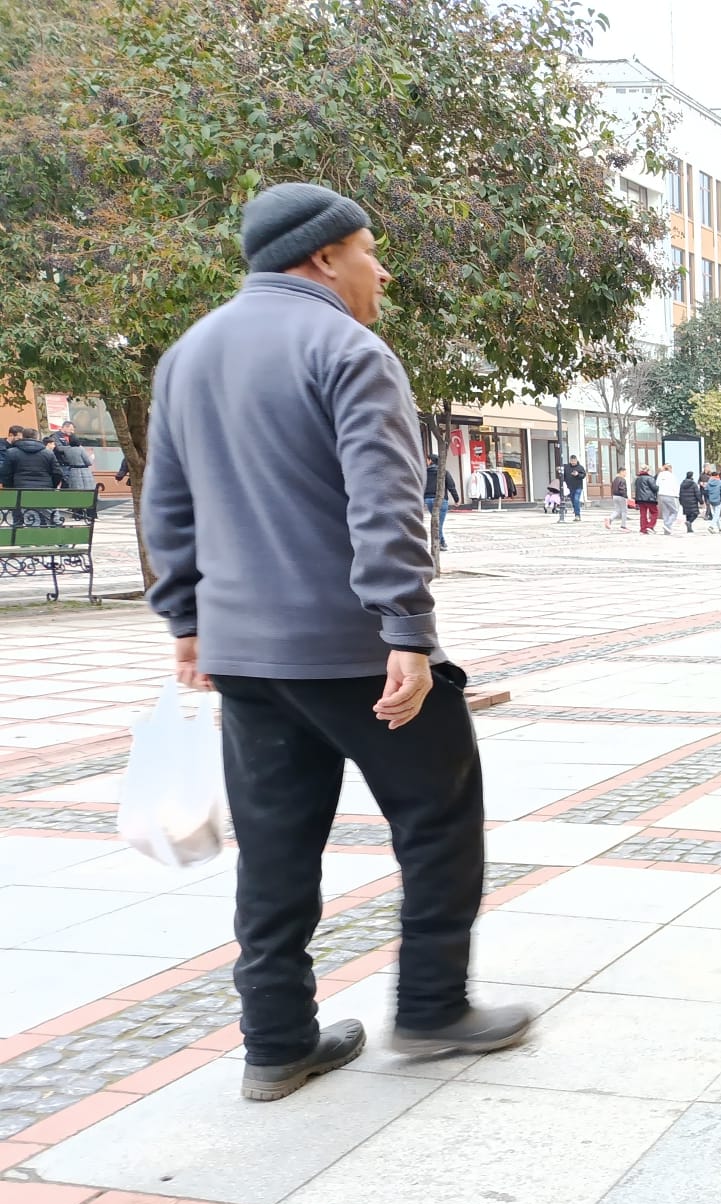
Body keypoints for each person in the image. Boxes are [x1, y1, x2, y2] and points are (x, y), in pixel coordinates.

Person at [141, 181, 532, 1103]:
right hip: (353, 650)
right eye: (368, 251)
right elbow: (384, 501)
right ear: (323, 256)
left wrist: (186, 622)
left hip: (243, 657)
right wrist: (408, 632)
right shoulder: (348, 349)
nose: (379, 271)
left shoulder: (187, 355)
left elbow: (167, 504)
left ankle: (276, 1042)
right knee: (439, 821)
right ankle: (432, 1008)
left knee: (275, 849)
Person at [0, 428, 65, 490]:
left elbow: (6, 474)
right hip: (45, 489)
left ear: (22, 436)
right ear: (37, 437)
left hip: (20, 489)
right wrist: (52, 486)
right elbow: (57, 473)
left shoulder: (11, 452)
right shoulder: (48, 453)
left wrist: (11, 487)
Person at [421, 457, 459, 550]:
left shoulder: (424, 473)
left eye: (427, 460)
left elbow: (421, 486)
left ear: (430, 460)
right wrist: (456, 499)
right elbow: (451, 486)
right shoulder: (443, 472)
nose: (426, 462)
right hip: (441, 499)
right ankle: (440, 543)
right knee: (438, 523)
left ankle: (441, 542)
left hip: (428, 499)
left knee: (437, 522)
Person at [633, 465, 661, 534]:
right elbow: (654, 488)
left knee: (643, 514)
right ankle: (650, 526)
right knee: (655, 512)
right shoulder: (649, 478)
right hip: (649, 499)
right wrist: (658, 487)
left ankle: (643, 529)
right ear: (648, 470)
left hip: (640, 499)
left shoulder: (637, 479)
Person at [559, 453, 586, 522]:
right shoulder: (567, 467)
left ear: (576, 460)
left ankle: (577, 515)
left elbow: (583, 475)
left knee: (576, 499)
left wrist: (577, 474)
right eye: (572, 461)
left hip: (578, 486)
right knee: (573, 501)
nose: (573, 462)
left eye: (574, 461)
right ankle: (576, 511)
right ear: (570, 460)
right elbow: (563, 476)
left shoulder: (580, 467)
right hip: (570, 487)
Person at [678, 469, 702, 534]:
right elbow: (697, 493)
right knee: (695, 514)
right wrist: (701, 501)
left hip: (685, 502)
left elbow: (680, 493)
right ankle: (689, 522)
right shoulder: (693, 484)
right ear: (692, 476)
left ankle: (689, 529)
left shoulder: (682, 484)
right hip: (692, 501)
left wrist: (680, 501)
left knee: (688, 514)